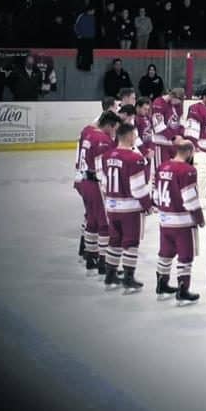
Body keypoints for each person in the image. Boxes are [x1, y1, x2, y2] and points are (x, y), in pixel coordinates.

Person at [101, 122, 151, 293]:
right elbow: (138, 188)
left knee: (114, 240)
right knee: (130, 242)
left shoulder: (106, 155)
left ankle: (110, 274)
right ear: (129, 136)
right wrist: (148, 205)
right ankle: (128, 278)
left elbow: (104, 182)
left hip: (111, 206)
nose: (136, 138)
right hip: (129, 208)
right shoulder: (134, 158)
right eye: (135, 135)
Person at [152, 139, 204, 305]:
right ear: (189, 152)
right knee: (185, 255)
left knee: (165, 253)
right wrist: (199, 218)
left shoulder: (162, 167)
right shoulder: (188, 170)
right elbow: (190, 199)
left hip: (164, 219)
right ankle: (183, 290)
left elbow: (154, 195)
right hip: (182, 222)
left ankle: (162, 284)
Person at [75, 111, 119, 274]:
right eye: (114, 128)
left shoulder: (89, 133)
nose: (114, 132)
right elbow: (102, 169)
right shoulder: (102, 139)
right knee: (104, 223)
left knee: (91, 220)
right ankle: (104, 261)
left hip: (84, 181)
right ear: (109, 125)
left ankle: (90, 256)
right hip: (95, 184)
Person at [150, 87, 185, 170]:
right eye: (178, 101)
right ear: (173, 96)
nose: (178, 104)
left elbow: (180, 122)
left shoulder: (177, 105)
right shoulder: (158, 103)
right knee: (161, 170)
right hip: (161, 143)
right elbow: (158, 126)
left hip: (174, 144)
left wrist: (181, 135)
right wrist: (173, 138)